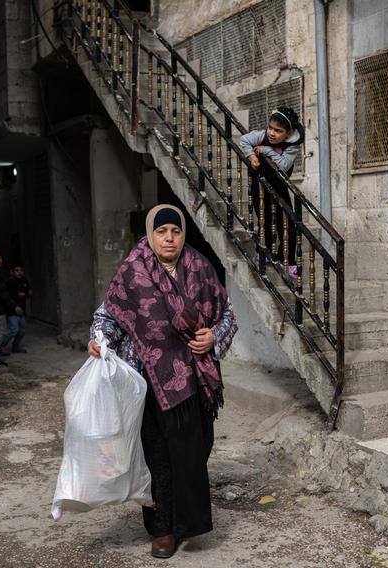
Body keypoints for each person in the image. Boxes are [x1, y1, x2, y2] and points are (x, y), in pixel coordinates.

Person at [87, 204, 237, 559]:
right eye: (161, 232)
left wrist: (214, 337)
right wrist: (99, 339)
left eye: (175, 232)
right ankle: (163, 529)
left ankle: (189, 519)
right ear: (150, 234)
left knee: (194, 451)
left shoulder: (200, 268)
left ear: (183, 234)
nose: (169, 238)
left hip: (195, 379)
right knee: (158, 457)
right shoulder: (132, 271)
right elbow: (107, 315)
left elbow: (227, 313)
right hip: (149, 380)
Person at [238, 106, 305, 278]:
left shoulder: (292, 145)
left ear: (288, 133)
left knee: (288, 223)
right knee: (264, 221)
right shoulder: (262, 135)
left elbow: (283, 166)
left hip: (278, 186)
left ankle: (289, 262)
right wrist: (252, 156)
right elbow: (244, 139)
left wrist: (266, 150)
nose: (272, 133)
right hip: (259, 185)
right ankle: (265, 253)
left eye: (278, 131)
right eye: (270, 128)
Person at [4, 265, 32, 354]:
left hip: (22, 310)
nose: (19, 272)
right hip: (13, 310)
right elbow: (6, 295)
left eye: (21, 270)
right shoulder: (9, 282)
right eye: (17, 270)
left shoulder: (24, 281)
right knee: (13, 330)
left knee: (22, 330)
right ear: (12, 272)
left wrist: (29, 293)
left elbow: (28, 293)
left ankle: (15, 347)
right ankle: (0, 346)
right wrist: (17, 295)